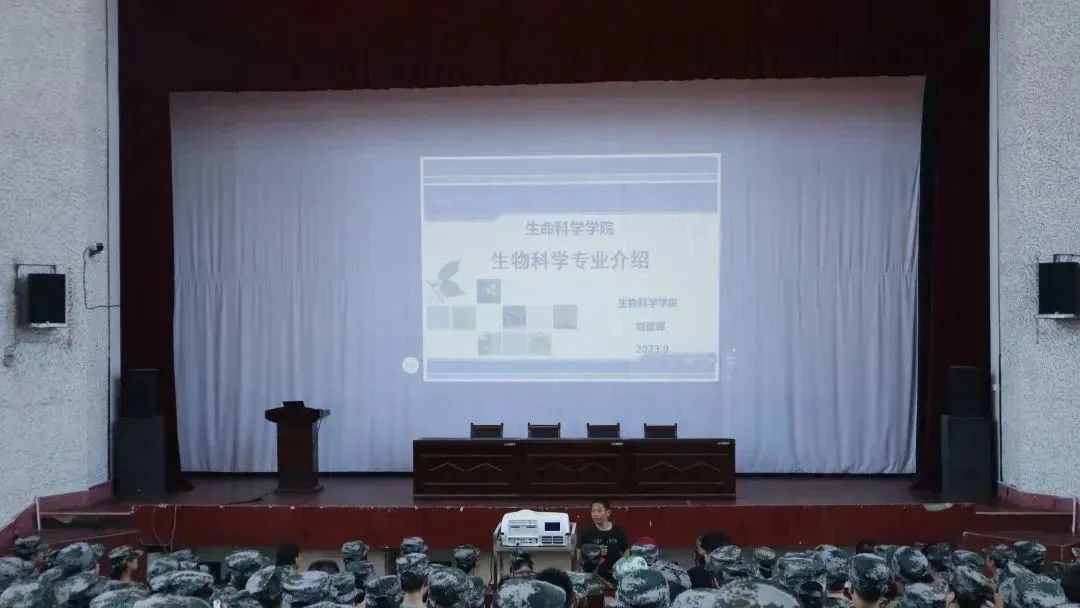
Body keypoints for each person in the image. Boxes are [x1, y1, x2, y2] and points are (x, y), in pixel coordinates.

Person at [576, 499, 629, 583]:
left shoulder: (618, 531)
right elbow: (579, 554)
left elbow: (626, 550)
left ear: (608, 512)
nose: (595, 514)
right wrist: (594, 551)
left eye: (599, 511)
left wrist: (619, 565)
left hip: (615, 576)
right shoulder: (586, 532)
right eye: (593, 511)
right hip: (593, 577)